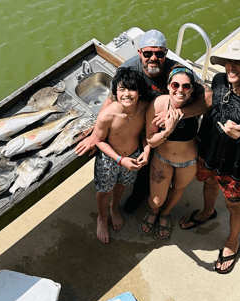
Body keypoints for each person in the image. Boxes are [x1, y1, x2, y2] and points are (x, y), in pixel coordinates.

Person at [75, 29, 212, 214]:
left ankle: (150, 195)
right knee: (141, 164)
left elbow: (208, 98)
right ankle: (138, 194)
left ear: (165, 53)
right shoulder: (129, 69)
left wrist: (176, 114)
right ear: (139, 53)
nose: (153, 58)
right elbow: (112, 98)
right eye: (148, 53)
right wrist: (95, 134)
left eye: (159, 53)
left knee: (154, 164)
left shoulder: (175, 69)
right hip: (139, 126)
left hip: (164, 129)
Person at [179, 40, 240, 274]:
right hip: (209, 154)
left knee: (234, 204)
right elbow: (210, 110)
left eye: (239, 62)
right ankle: (208, 211)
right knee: (208, 182)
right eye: (229, 61)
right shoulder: (219, 81)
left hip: (235, 166)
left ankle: (232, 242)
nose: (231, 67)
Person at [140, 66, 200, 238]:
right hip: (162, 158)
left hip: (188, 161)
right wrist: (167, 131)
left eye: (186, 86)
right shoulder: (158, 104)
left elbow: (208, 101)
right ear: (168, 86)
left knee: (178, 189)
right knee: (156, 199)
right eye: (175, 85)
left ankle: (166, 213)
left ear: (192, 89)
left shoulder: (196, 106)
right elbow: (151, 140)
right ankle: (154, 211)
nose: (180, 90)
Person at [93, 67, 151, 243]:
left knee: (121, 184)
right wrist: (119, 159)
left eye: (132, 89)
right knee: (105, 190)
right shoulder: (107, 115)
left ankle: (114, 207)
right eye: (122, 89)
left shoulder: (144, 108)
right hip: (110, 159)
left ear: (139, 92)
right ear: (115, 93)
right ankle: (101, 217)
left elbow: (144, 133)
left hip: (133, 155)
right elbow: (98, 140)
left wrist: (146, 149)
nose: (127, 94)